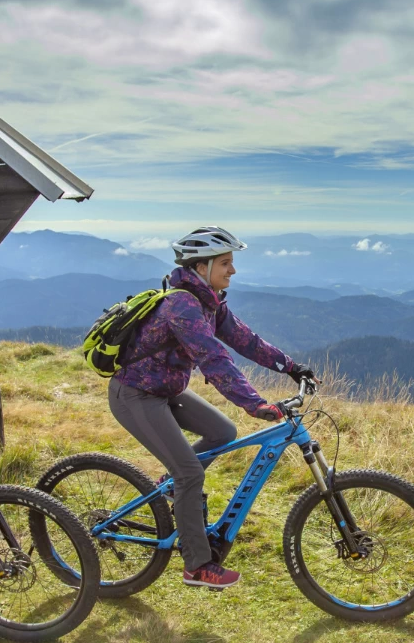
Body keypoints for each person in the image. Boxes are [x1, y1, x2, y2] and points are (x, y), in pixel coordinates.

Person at [110, 226, 313, 589]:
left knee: (223, 432)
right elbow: (214, 358)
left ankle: (171, 487)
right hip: (135, 395)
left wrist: (290, 366)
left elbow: (244, 340)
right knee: (191, 473)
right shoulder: (181, 305)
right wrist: (255, 404)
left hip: (165, 391)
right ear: (201, 266)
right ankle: (197, 565)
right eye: (225, 262)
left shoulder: (210, 302)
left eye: (231, 262)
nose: (232, 270)